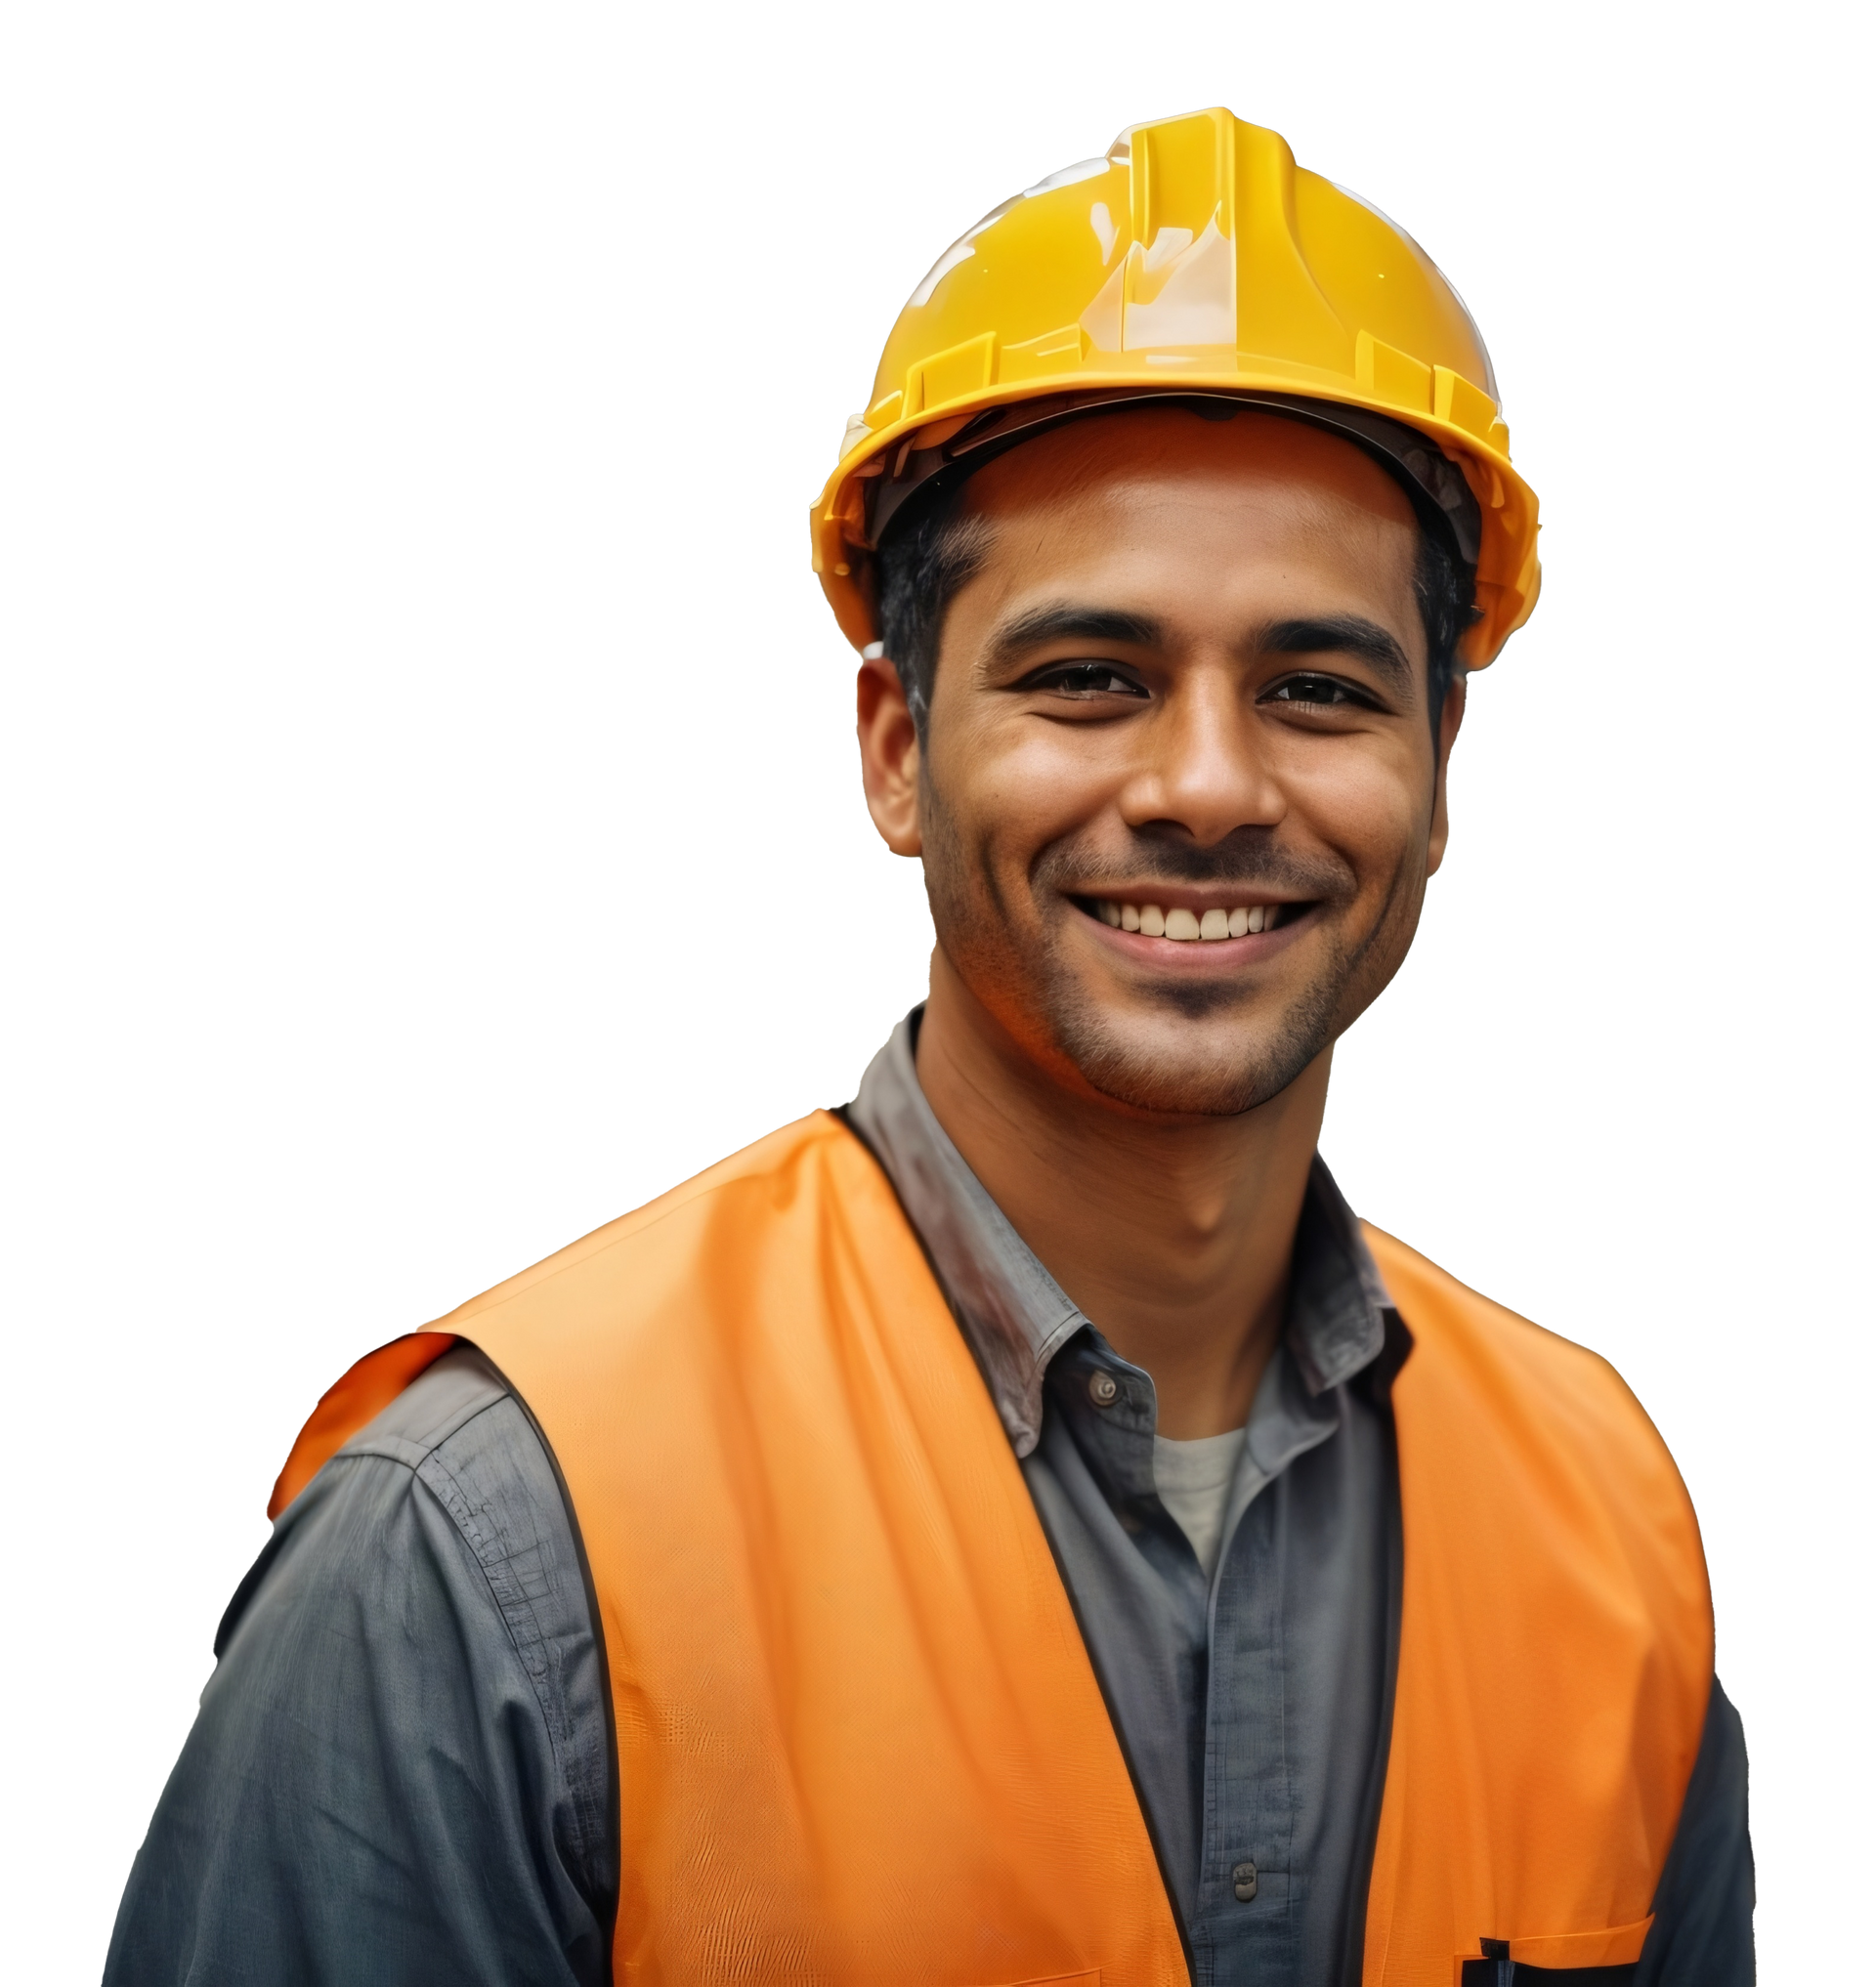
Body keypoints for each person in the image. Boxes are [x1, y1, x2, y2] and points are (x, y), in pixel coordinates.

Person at [105, 106, 1754, 1986]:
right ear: (895, 745)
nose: (1208, 785)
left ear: (1442, 772)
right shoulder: (491, 1538)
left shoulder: (1608, 1515)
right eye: (1089, 679)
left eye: (1317, 688)